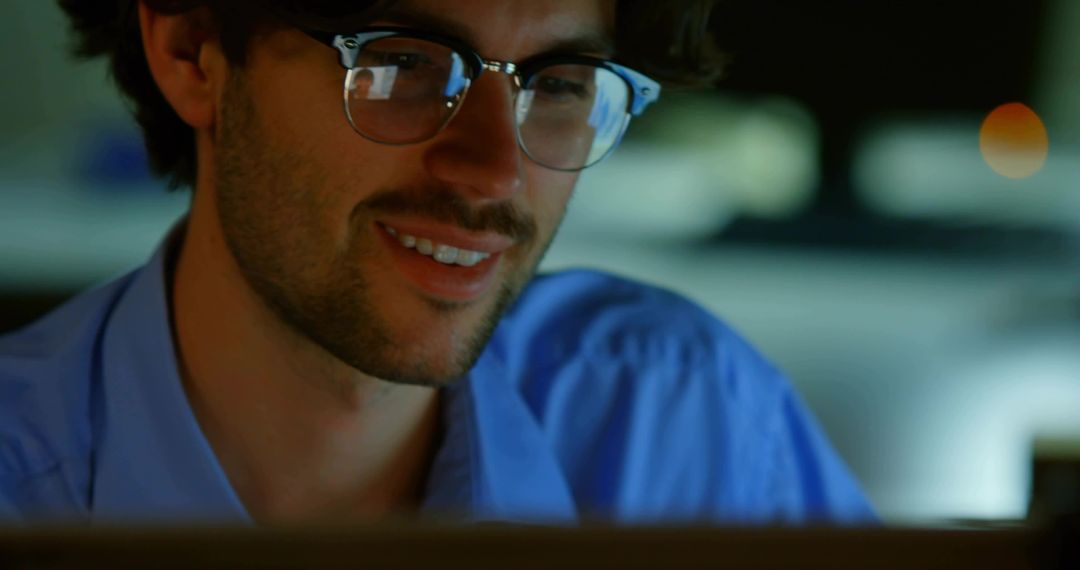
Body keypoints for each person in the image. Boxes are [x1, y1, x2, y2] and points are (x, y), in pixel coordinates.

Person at [0, 0, 874, 525]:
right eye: (403, 64)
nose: (495, 169)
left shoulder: (687, 430)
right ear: (192, 53)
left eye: (560, 83)